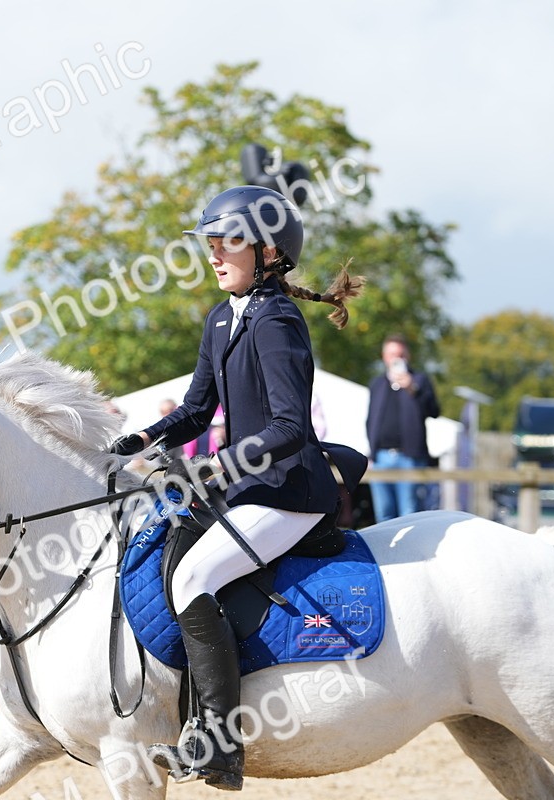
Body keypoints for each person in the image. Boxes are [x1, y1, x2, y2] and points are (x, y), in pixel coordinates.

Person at [108, 186, 364, 789]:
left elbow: (288, 427)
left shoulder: (277, 321)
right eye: (211, 244)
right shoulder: (222, 317)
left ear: (269, 251)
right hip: (247, 486)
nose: (215, 254)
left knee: (194, 577)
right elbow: (197, 411)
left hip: (288, 491)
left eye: (228, 243)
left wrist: (215, 468)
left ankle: (220, 742)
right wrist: (138, 438)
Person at [365, 334, 441, 522]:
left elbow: (434, 411)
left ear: (408, 356)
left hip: (410, 457)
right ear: (384, 356)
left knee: (409, 513)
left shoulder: (420, 380)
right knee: (384, 515)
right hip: (381, 458)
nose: (396, 359)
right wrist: (372, 454)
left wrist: (413, 388)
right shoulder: (377, 383)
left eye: (400, 354)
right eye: (392, 354)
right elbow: (370, 420)